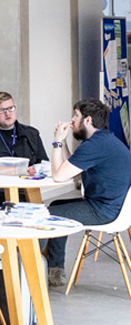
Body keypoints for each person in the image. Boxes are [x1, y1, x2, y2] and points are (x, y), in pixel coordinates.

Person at [45, 98, 131, 287]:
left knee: (47, 216)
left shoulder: (95, 146)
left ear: (88, 120)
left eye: (76, 116)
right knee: (55, 207)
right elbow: (72, 165)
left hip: (104, 211)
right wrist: (64, 141)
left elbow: (59, 176)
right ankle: (54, 271)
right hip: (111, 206)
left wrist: (57, 142)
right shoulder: (103, 140)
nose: (72, 120)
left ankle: (33, 269)